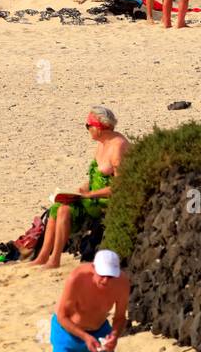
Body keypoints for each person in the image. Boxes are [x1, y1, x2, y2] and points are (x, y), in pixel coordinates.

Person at [32, 106, 130, 269]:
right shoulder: (101, 144)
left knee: (64, 210)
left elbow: (120, 187)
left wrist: (91, 194)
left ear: (99, 127)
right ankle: (43, 256)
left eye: (88, 125)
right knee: (57, 207)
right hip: (92, 197)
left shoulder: (118, 147)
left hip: (105, 201)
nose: (88, 129)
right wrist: (80, 190)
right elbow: (94, 177)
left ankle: (54, 259)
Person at [50, 249, 130, 352]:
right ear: (93, 267)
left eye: (110, 276)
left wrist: (114, 336)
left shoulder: (122, 283)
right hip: (67, 335)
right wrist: (85, 337)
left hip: (99, 333)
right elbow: (62, 317)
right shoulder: (77, 278)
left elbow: (120, 317)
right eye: (102, 275)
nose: (106, 281)